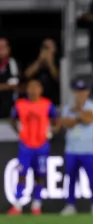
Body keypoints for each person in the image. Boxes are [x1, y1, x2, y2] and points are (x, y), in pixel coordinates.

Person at [7, 79, 60, 215]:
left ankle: (36, 204)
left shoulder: (47, 105)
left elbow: (56, 120)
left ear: (41, 90)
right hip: (26, 145)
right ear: (27, 90)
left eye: (36, 87)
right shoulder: (20, 105)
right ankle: (18, 205)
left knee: (40, 175)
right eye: (30, 87)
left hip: (42, 145)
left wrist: (51, 132)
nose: (33, 90)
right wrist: (19, 131)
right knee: (22, 174)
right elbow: (12, 118)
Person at [59, 80, 93, 216]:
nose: (80, 94)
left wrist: (77, 113)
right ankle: (70, 205)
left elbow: (90, 119)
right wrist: (80, 117)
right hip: (71, 149)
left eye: (82, 91)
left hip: (88, 149)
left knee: (92, 178)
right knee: (71, 179)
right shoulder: (67, 108)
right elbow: (65, 123)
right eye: (78, 91)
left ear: (87, 92)